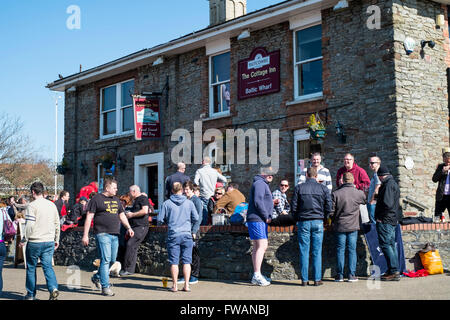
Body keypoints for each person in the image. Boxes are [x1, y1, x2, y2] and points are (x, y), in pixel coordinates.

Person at [82, 178, 135, 296]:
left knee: (111, 261)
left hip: (115, 234)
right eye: (114, 187)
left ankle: (96, 277)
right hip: (102, 233)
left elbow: (122, 216)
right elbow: (89, 217)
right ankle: (105, 287)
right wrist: (85, 235)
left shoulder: (117, 200)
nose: (117, 190)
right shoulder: (96, 199)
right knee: (105, 259)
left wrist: (129, 228)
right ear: (107, 188)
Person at [19, 182, 60, 300]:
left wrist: (24, 239)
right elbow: (57, 223)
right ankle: (53, 288)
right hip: (49, 241)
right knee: (48, 267)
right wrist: (56, 239)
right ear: (42, 191)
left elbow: (30, 225)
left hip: (35, 241)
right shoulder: (52, 205)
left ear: (33, 192)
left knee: (31, 268)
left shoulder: (32, 206)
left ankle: (31, 294)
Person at [291, 167, 332, 286]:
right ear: (316, 176)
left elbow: (294, 206)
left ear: (306, 175)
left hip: (304, 221)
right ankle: (317, 279)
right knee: (317, 251)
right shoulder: (323, 188)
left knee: (304, 251)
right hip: (318, 221)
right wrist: (325, 217)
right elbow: (329, 206)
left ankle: (304, 280)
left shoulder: (299, 187)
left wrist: (296, 218)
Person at [157, 182, 199, 292]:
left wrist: (168, 221)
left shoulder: (166, 203)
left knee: (174, 262)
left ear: (172, 191)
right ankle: (186, 285)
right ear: (182, 190)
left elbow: (160, 220)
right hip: (186, 234)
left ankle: (175, 285)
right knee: (187, 261)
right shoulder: (189, 203)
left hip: (173, 235)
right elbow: (196, 217)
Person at [330, 172, 366, 282]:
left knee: (340, 250)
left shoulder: (336, 194)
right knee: (352, 250)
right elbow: (365, 201)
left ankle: (340, 275)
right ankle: (351, 275)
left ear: (342, 181)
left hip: (340, 225)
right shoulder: (358, 193)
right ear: (353, 181)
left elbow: (331, 212)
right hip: (353, 225)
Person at [246, 167, 275, 286]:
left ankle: (256, 275)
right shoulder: (259, 183)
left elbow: (261, 200)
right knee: (262, 245)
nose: (271, 176)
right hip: (258, 219)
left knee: (258, 246)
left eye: (272, 174)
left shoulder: (261, 183)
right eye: (268, 174)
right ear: (263, 173)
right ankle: (257, 275)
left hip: (258, 219)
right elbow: (258, 201)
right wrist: (266, 216)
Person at [374, 166, 401, 281]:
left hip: (386, 220)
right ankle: (393, 270)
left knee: (386, 245)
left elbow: (387, 204)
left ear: (381, 176)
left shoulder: (387, 185)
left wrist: (380, 217)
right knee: (390, 245)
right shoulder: (392, 183)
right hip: (392, 219)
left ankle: (394, 270)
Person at [120, 185, 150, 276]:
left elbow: (145, 211)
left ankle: (128, 269)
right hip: (135, 226)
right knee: (130, 245)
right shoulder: (136, 200)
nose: (129, 194)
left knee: (131, 244)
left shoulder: (143, 198)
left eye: (130, 192)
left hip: (141, 226)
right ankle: (128, 268)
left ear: (134, 191)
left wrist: (132, 215)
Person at [178, 181, 202, 285]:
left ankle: (194, 276)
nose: (185, 191)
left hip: (193, 231)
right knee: (185, 254)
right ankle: (185, 275)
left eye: (187, 189)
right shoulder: (185, 200)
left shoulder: (196, 200)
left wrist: (194, 231)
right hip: (184, 230)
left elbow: (199, 217)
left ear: (192, 190)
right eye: (184, 189)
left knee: (194, 254)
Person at [194, 157, 227, 225]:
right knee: (212, 212)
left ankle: (203, 229)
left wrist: (198, 188)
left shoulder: (199, 171)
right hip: (212, 196)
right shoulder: (214, 171)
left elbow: (195, 181)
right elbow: (225, 180)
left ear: (203, 162)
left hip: (203, 195)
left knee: (204, 213)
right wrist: (218, 184)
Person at [432, 152, 450, 223]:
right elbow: (434, 179)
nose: (447, 164)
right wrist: (442, 171)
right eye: (446, 162)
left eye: (449, 162)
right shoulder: (441, 167)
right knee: (437, 217)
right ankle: (437, 232)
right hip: (441, 196)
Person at [367, 155, 382, 223]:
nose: (370, 165)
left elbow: (377, 188)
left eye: (372, 163)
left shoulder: (377, 174)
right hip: (373, 202)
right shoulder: (375, 174)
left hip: (374, 203)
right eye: (370, 163)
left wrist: (373, 200)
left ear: (378, 163)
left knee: (374, 223)